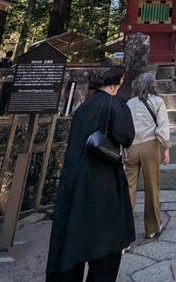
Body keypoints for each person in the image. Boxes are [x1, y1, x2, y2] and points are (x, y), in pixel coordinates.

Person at [46, 67, 135, 282]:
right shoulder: (116, 105)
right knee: (106, 242)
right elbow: (126, 136)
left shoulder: (83, 107)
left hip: (75, 180)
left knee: (73, 238)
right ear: (120, 80)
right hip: (103, 180)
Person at [125, 72, 170, 240]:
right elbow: (163, 128)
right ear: (153, 85)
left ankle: (124, 233)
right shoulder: (157, 102)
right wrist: (166, 149)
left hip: (131, 147)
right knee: (152, 187)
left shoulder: (129, 103)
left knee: (129, 189)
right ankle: (151, 228)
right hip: (150, 146)